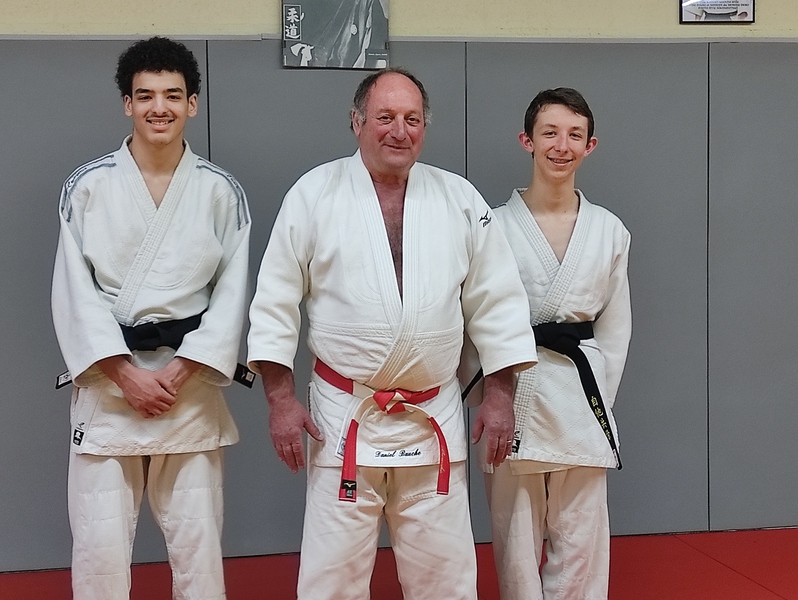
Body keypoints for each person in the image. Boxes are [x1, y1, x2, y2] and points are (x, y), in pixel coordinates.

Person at [247, 67, 537, 600]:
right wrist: (280, 401)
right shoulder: (313, 194)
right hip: (345, 416)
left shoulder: (459, 198)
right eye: (385, 117)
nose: (399, 131)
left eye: (412, 119)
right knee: (330, 583)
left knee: (446, 582)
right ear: (357, 122)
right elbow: (274, 304)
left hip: (432, 418)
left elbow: (498, 304)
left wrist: (500, 397)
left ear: (425, 126)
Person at [51, 36, 251, 600]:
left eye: (172, 95)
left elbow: (231, 295)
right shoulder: (87, 187)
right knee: (99, 557)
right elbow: (73, 293)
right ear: (127, 104)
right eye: (145, 96)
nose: (158, 107)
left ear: (192, 104)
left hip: (188, 390)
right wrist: (124, 373)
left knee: (199, 557)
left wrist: (182, 370)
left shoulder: (220, 192)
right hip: (109, 388)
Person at [485, 88, 632, 600]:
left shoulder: (609, 230)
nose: (561, 146)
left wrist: (601, 399)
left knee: (582, 540)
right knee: (515, 540)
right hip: (515, 390)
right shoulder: (494, 226)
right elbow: (477, 320)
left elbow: (616, 329)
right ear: (527, 140)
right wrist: (488, 396)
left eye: (574, 135)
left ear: (590, 146)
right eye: (549, 133)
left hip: (580, 393)